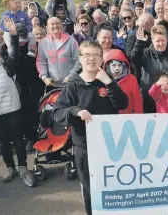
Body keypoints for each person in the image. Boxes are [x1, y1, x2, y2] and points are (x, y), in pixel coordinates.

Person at [53, 41, 128, 215]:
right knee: (90, 190)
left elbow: (123, 104)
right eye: (87, 55)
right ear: (80, 58)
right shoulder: (73, 85)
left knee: (113, 187)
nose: (91, 59)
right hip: (84, 148)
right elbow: (57, 113)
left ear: (102, 58)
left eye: (96, 55)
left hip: (110, 147)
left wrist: (109, 83)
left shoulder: (107, 81)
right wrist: (75, 111)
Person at [0, 17, 35, 186]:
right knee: (4, 144)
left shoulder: (8, 65)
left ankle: (23, 167)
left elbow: (15, 50)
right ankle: (10, 167)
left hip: (12, 111)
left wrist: (13, 32)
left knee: (18, 141)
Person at [134, 25, 168, 113]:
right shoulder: (146, 54)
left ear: (167, 40)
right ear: (152, 40)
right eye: (158, 41)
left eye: (163, 40)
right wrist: (139, 42)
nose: (161, 43)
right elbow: (134, 59)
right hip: (149, 99)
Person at [36, 17, 80, 88]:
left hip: (70, 84)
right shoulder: (43, 43)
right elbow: (41, 62)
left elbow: (78, 61)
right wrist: (44, 77)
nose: (55, 26)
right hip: (52, 85)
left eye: (57, 23)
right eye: (52, 24)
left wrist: (71, 76)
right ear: (47, 27)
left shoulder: (72, 41)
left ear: (62, 25)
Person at [104, 49, 143, 114]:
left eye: (119, 65)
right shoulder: (102, 79)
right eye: (114, 65)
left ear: (124, 65)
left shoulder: (132, 79)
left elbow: (137, 100)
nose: (117, 68)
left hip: (128, 117)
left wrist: (138, 117)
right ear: (108, 65)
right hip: (109, 118)